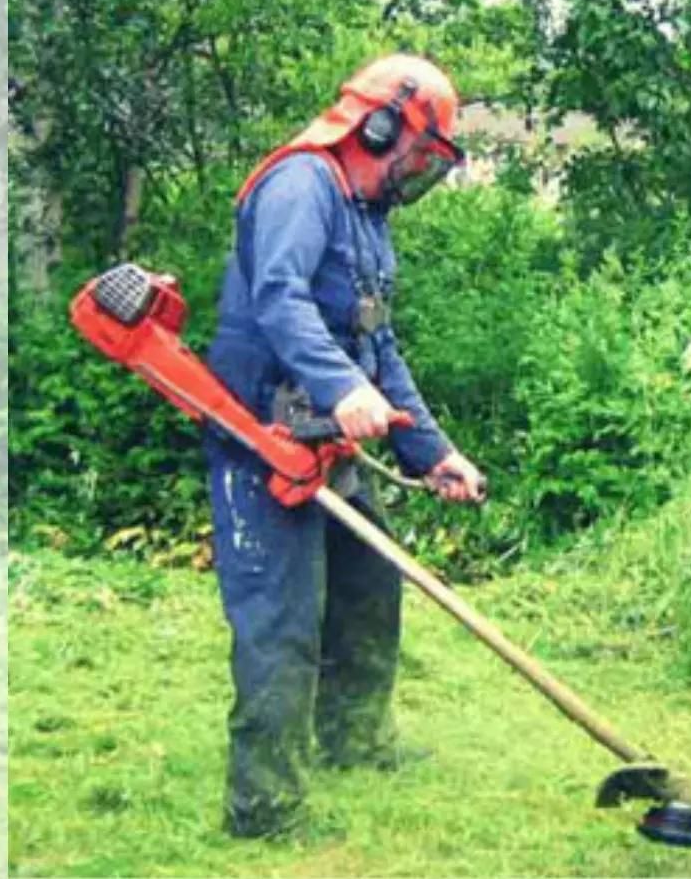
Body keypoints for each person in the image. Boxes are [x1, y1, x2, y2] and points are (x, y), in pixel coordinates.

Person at [202, 53, 486, 839]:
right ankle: (265, 808)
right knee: (281, 620)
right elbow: (279, 296)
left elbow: (377, 346)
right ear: (381, 125)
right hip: (261, 437)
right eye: (421, 153)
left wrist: (433, 453)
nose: (420, 173)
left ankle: (355, 742)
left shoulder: (366, 216)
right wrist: (342, 389)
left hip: (322, 438)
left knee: (368, 583)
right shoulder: (302, 185)